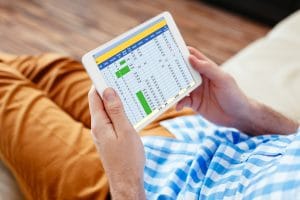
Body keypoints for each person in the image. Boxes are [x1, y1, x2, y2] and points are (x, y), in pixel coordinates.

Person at [0, 47, 299, 199]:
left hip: (135, 184)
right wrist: (245, 113)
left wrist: (124, 178)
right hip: (198, 131)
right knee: (46, 67)